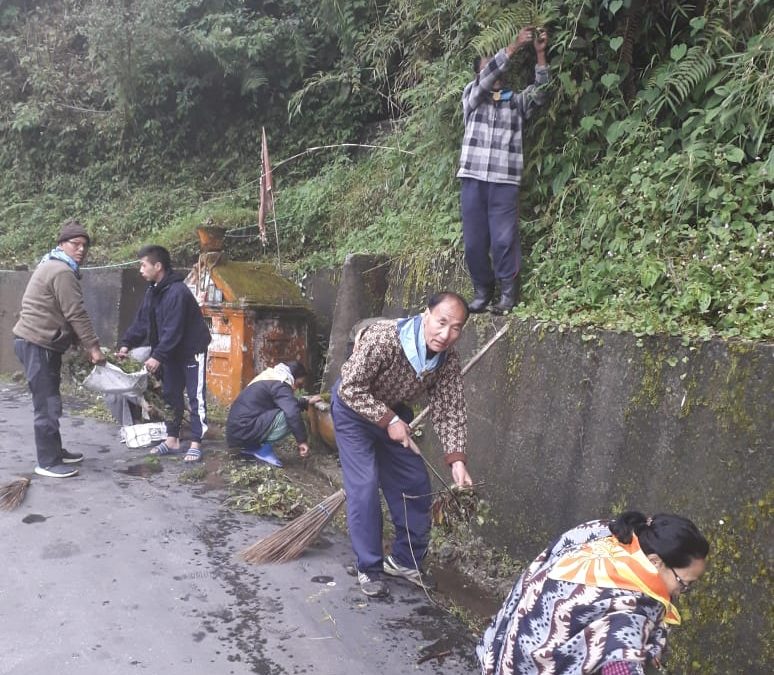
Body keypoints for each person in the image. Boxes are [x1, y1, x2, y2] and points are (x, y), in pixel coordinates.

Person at [331, 291, 473, 598]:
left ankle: (405, 561)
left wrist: (457, 460)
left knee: (414, 482)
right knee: (365, 486)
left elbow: (450, 409)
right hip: (353, 411)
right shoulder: (385, 339)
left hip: (393, 413)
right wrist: (389, 420)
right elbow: (350, 388)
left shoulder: (447, 360)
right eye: (441, 322)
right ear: (426, 315)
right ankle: (369, 567)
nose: (446, 334)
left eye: (456, 328)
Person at [478, 511, 710, 675]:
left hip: (507, 645)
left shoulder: (608, 533)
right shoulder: (630, 610)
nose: (684, 591)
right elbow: (621, 662)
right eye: (684, 583)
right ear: (655, 561)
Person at [458, 26, 550, 315]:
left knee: (503, 239)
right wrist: (512, 47)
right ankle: (482, 291)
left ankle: (508, 295)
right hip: (473, 179)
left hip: (504, 181)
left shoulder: (515, 102)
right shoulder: (471, 98)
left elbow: (542, 93)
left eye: (498, 69)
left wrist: (539, 54)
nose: (495, 74)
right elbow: (487, 76)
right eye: (488, 69)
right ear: (479, 75)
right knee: (474, 242)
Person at [13, 220, 106, 478]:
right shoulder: (62, 271)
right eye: (75, 244)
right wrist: (94, 348)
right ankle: (48, 462)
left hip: (38, 342)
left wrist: (78, 342)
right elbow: (76, 313)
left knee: (51, 398)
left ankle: (54, 451)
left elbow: (61, 312)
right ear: (62, 244)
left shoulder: (52, 264)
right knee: (46, 403)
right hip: (37, 343)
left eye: (84, 245)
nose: (81, 250)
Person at [117, 245, 211, 462]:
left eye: (143, 265)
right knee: (170, 394)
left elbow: (174, 330)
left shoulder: (177, 292)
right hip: (171, 353)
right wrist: (126, 344)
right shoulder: (153, 290)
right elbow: (142, 321)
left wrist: (157, 356)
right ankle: (172, 439)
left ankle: (196, 442)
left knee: (195, 396)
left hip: (191, 351)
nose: (140, 269)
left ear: (157, 266)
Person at [226, 361, 322, 468]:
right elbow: (292, 412)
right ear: (293, 377)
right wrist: (302, 441)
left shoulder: (272, 377)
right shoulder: (281, 383)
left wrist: (305, 402)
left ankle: (250, 447)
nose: (296, 388)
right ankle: (259, 449)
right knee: (291, 417)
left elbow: (285, 403)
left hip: (237, 432)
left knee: (290, 411)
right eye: (299, 384)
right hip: (245, 430)